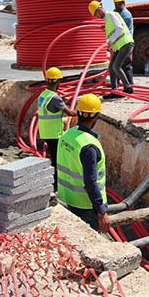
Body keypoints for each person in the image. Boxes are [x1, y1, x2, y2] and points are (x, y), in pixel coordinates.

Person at [56, 94, 111, 234]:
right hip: (85, 205)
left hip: (65, 198)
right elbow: (90, 182)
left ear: (78, 114)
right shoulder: (89, 145)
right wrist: (101, 211)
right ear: (96, 116)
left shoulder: (66, 135)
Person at [38, 67, 77, 191]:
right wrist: (81, 113)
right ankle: (55, 185)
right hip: (54, 134)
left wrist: (63, 120)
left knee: (54, 157)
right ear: (57, 82)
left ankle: (54, 182)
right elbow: (69, 112)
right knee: (57, 160)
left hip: (45, 131)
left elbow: (50, 114)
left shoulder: (43, 95)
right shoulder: (55, 98)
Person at [88, 0, 134, 99]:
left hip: (126, 43)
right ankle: (114, 91)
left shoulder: (112, 15)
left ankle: (128, 87)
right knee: (111, 68)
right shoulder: (106, 21)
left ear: (99, 10)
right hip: (119, 46)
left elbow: (119, 28)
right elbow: (112, 33)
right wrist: (111, 46)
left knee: (116, 66)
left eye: (95, 14)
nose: (96, 17)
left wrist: (111, 41)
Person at [112, 0, 134, 90]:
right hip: (122, 43)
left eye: (119, 4)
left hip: (125, 42)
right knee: (120, 65)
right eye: (115, 4)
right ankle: (123, 84)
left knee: (125, 64)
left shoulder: (125, 14)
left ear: (123, 3)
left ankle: (129, 84)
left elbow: (119, 28)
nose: (117, 6)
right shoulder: (120, 13)